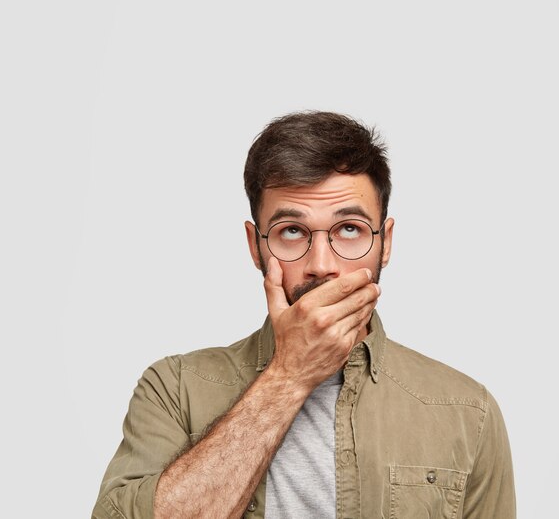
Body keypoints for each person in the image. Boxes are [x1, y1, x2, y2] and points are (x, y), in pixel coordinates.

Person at [92, 111, 515, 519]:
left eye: (349, 228)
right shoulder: (174, 389)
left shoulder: (467, 411)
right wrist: (289, 375)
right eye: (291, 231)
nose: (322, 264)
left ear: (384, 242)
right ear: (255, 245)